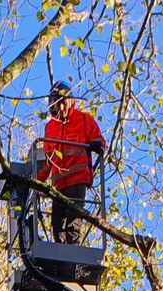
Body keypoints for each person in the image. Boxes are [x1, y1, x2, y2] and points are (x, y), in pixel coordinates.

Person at [41, 82, 105, 243]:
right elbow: (48, 159)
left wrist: (98, 145)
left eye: (61, 103)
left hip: (78, 180)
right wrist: (37, 181)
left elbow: (100, 141)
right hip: (59, 184)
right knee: (57, 224)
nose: (59, 108)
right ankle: (61, 260)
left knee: (72, 222)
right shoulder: (50, 127)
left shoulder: (83, 120)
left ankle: (74, 257)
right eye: (55, 104)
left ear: (69, 101)